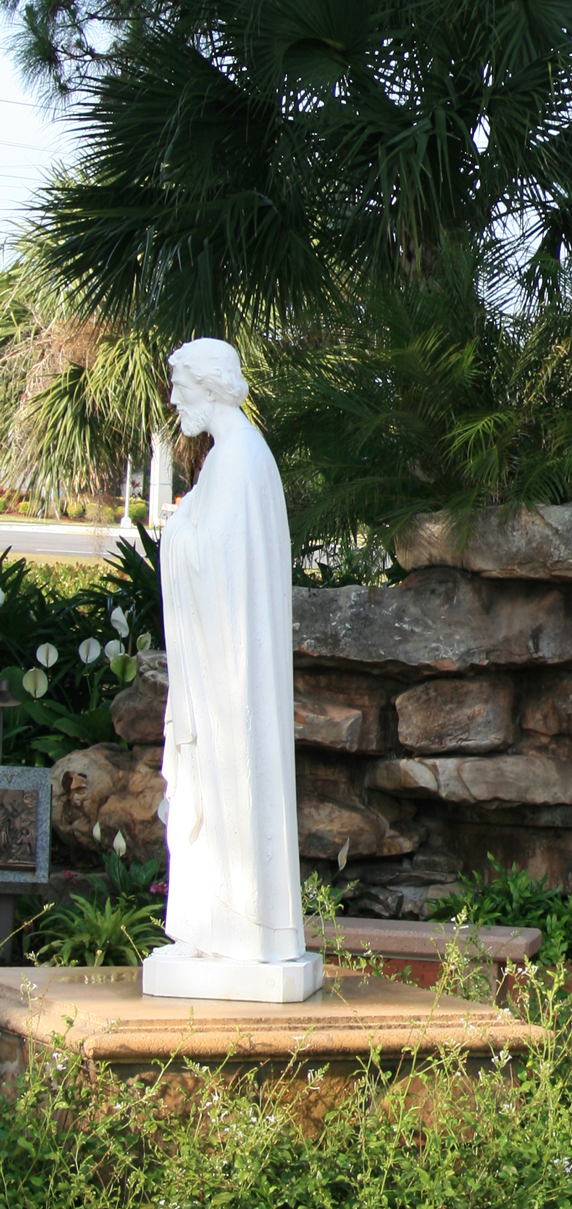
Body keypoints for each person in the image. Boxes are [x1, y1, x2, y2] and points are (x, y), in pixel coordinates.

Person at [142, 336, 320, 1002]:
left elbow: (219, 562)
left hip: (230, 677)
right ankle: (221, 927)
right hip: (225, 669)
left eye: (180, 388)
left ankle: (240, 928)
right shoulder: (235, 458)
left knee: (227, 790)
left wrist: (178, 535)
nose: (174, 399)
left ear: (209, 386)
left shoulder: (240, 459)